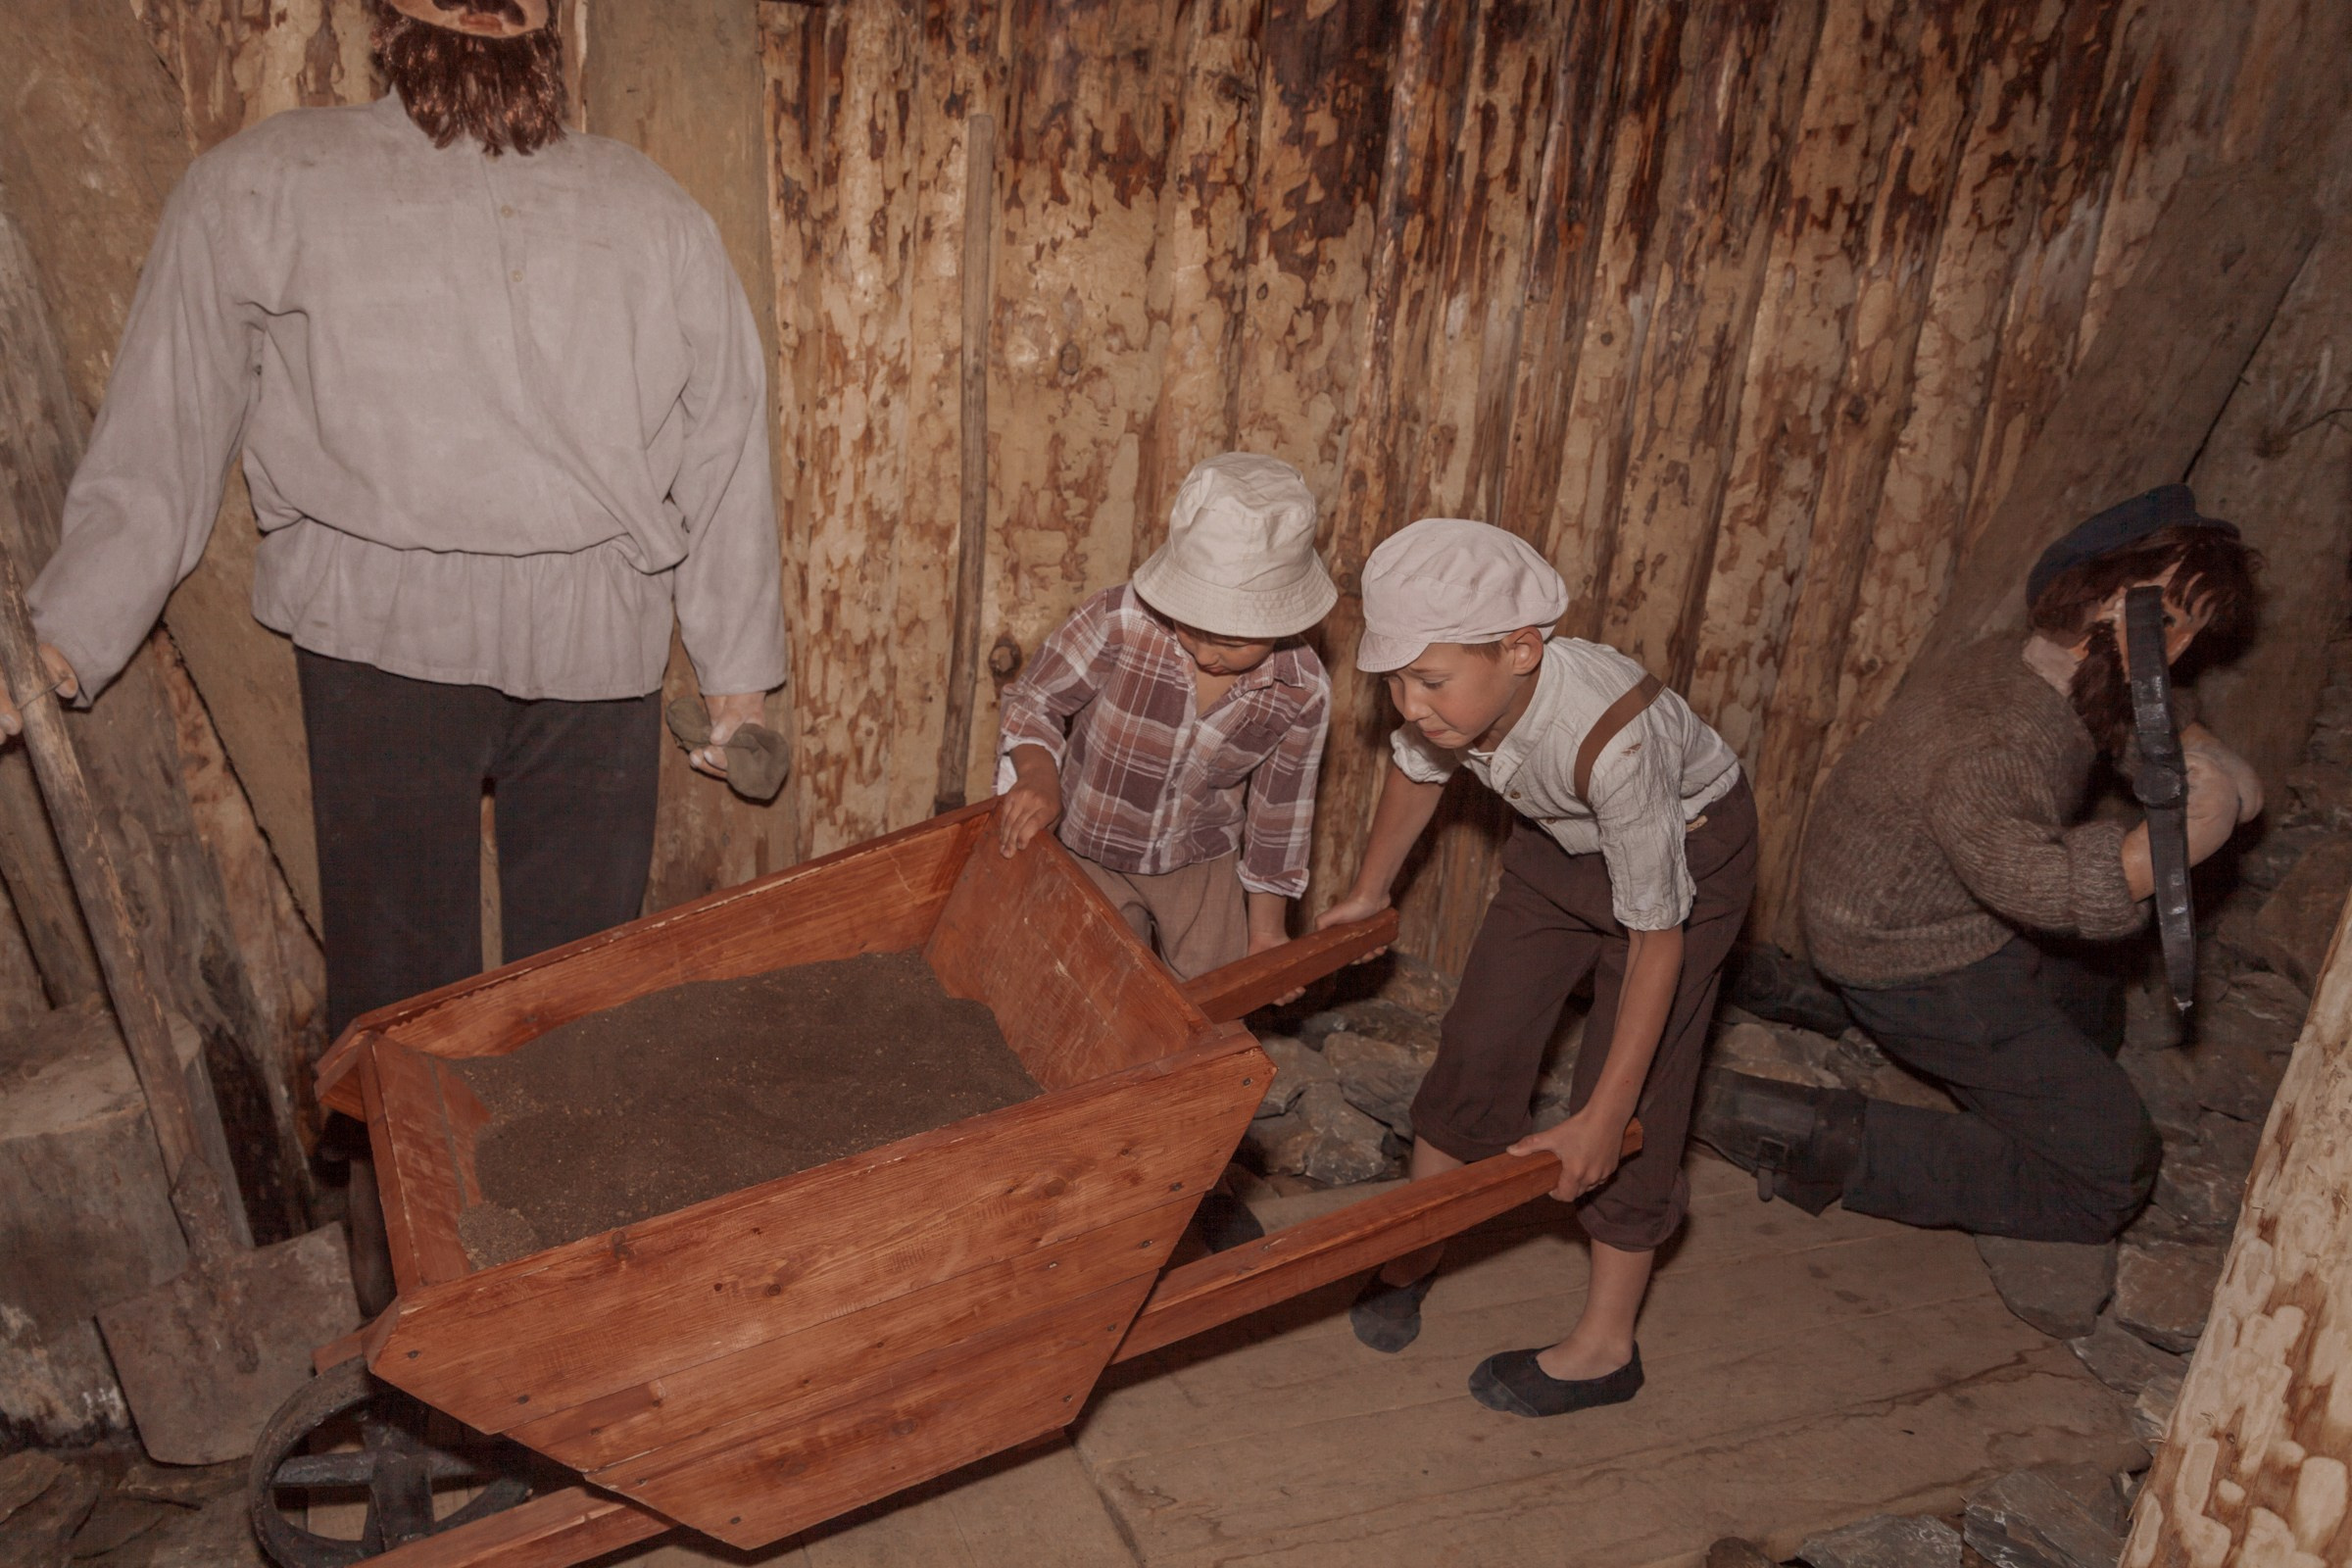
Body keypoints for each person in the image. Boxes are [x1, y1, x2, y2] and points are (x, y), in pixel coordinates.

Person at [0, 0, 788, 1311]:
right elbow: (168, 422)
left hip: (520, 645)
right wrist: (67, 640)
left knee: (554, 1004)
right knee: (412, 1012)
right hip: (420, 647)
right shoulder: (275, 185)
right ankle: (427, 1325)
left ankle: (553, 1304)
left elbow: (726, 444)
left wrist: (740, 672)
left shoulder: (620, 206)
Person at [1698, 486, 2261, 1244]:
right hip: (1911, 955)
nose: (2180, 650)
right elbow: (2042, 883)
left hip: (1916, 907)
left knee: (2095, 1018)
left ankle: (1827, 1004)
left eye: (2187, 630)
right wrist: (2176, 841)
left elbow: (2125, 708)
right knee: (2106, 1173)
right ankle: (1802, 1131)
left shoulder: (2038, 661)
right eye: (2164, 623)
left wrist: (2193, 746)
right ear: (2095, 599)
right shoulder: (1998, 734)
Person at [1315, 518, 1754, 1418]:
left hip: (1690, 864)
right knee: (1480, 1035)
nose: (1408, 702)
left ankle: (1606, 1344)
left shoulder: (1613, 738)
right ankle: (1419, 1239)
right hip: (1560, 849)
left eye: (1428, 679)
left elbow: (1655, 938)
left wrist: (1602, 1114)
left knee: (1635, 1098)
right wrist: (1368, 890)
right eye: (1394, 678)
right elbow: (1418, 766)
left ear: (1520, 650)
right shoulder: (1451, 707)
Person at [995, 452, 1334, 1249]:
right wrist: (1039, 774)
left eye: (1236, 638)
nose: (1211, 650)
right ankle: (1082, 1190)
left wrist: (1267, 931)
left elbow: (1282, 812)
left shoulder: (1302, 688)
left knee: (1208, 1029)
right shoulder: (1120, 621)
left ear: (1284, 617)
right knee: (1089, 1010)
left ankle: (1195, 1191)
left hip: (1201, 859)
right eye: (1196, 624)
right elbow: (1036, 699)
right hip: (1087, 845)